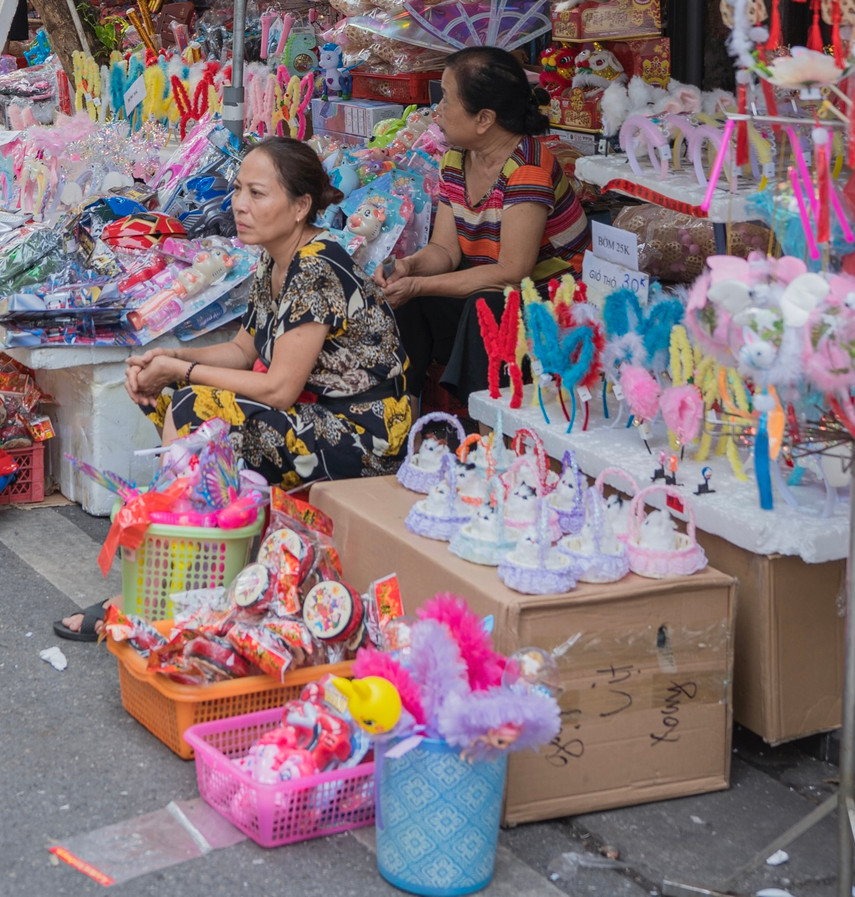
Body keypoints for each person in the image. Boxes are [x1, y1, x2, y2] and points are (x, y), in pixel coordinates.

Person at [54, 136, 412, 641]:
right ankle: (186, 576)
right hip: (319, 412)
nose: (239, 204)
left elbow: (281, 388)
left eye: (258, 194)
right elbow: (246, 350)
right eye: (239, 189)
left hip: (363, 432)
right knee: (180, 399)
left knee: (198, 408)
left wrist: (183, 374)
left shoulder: (316, 267)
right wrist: (170, 358)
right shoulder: (275, 256)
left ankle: (165, 593)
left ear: (301, 206)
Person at [375, 46, 590, 405]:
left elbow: (511, 274)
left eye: (446, 99)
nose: (437, 110)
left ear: (484, 119)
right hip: (500, 290)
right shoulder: (456, 159)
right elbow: (445, 250)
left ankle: (485, 433)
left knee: (485, 308)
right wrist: (408, 268)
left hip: (555, 305)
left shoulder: (528, 169)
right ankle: (399, 416)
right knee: (409, 301)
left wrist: (418, 284)